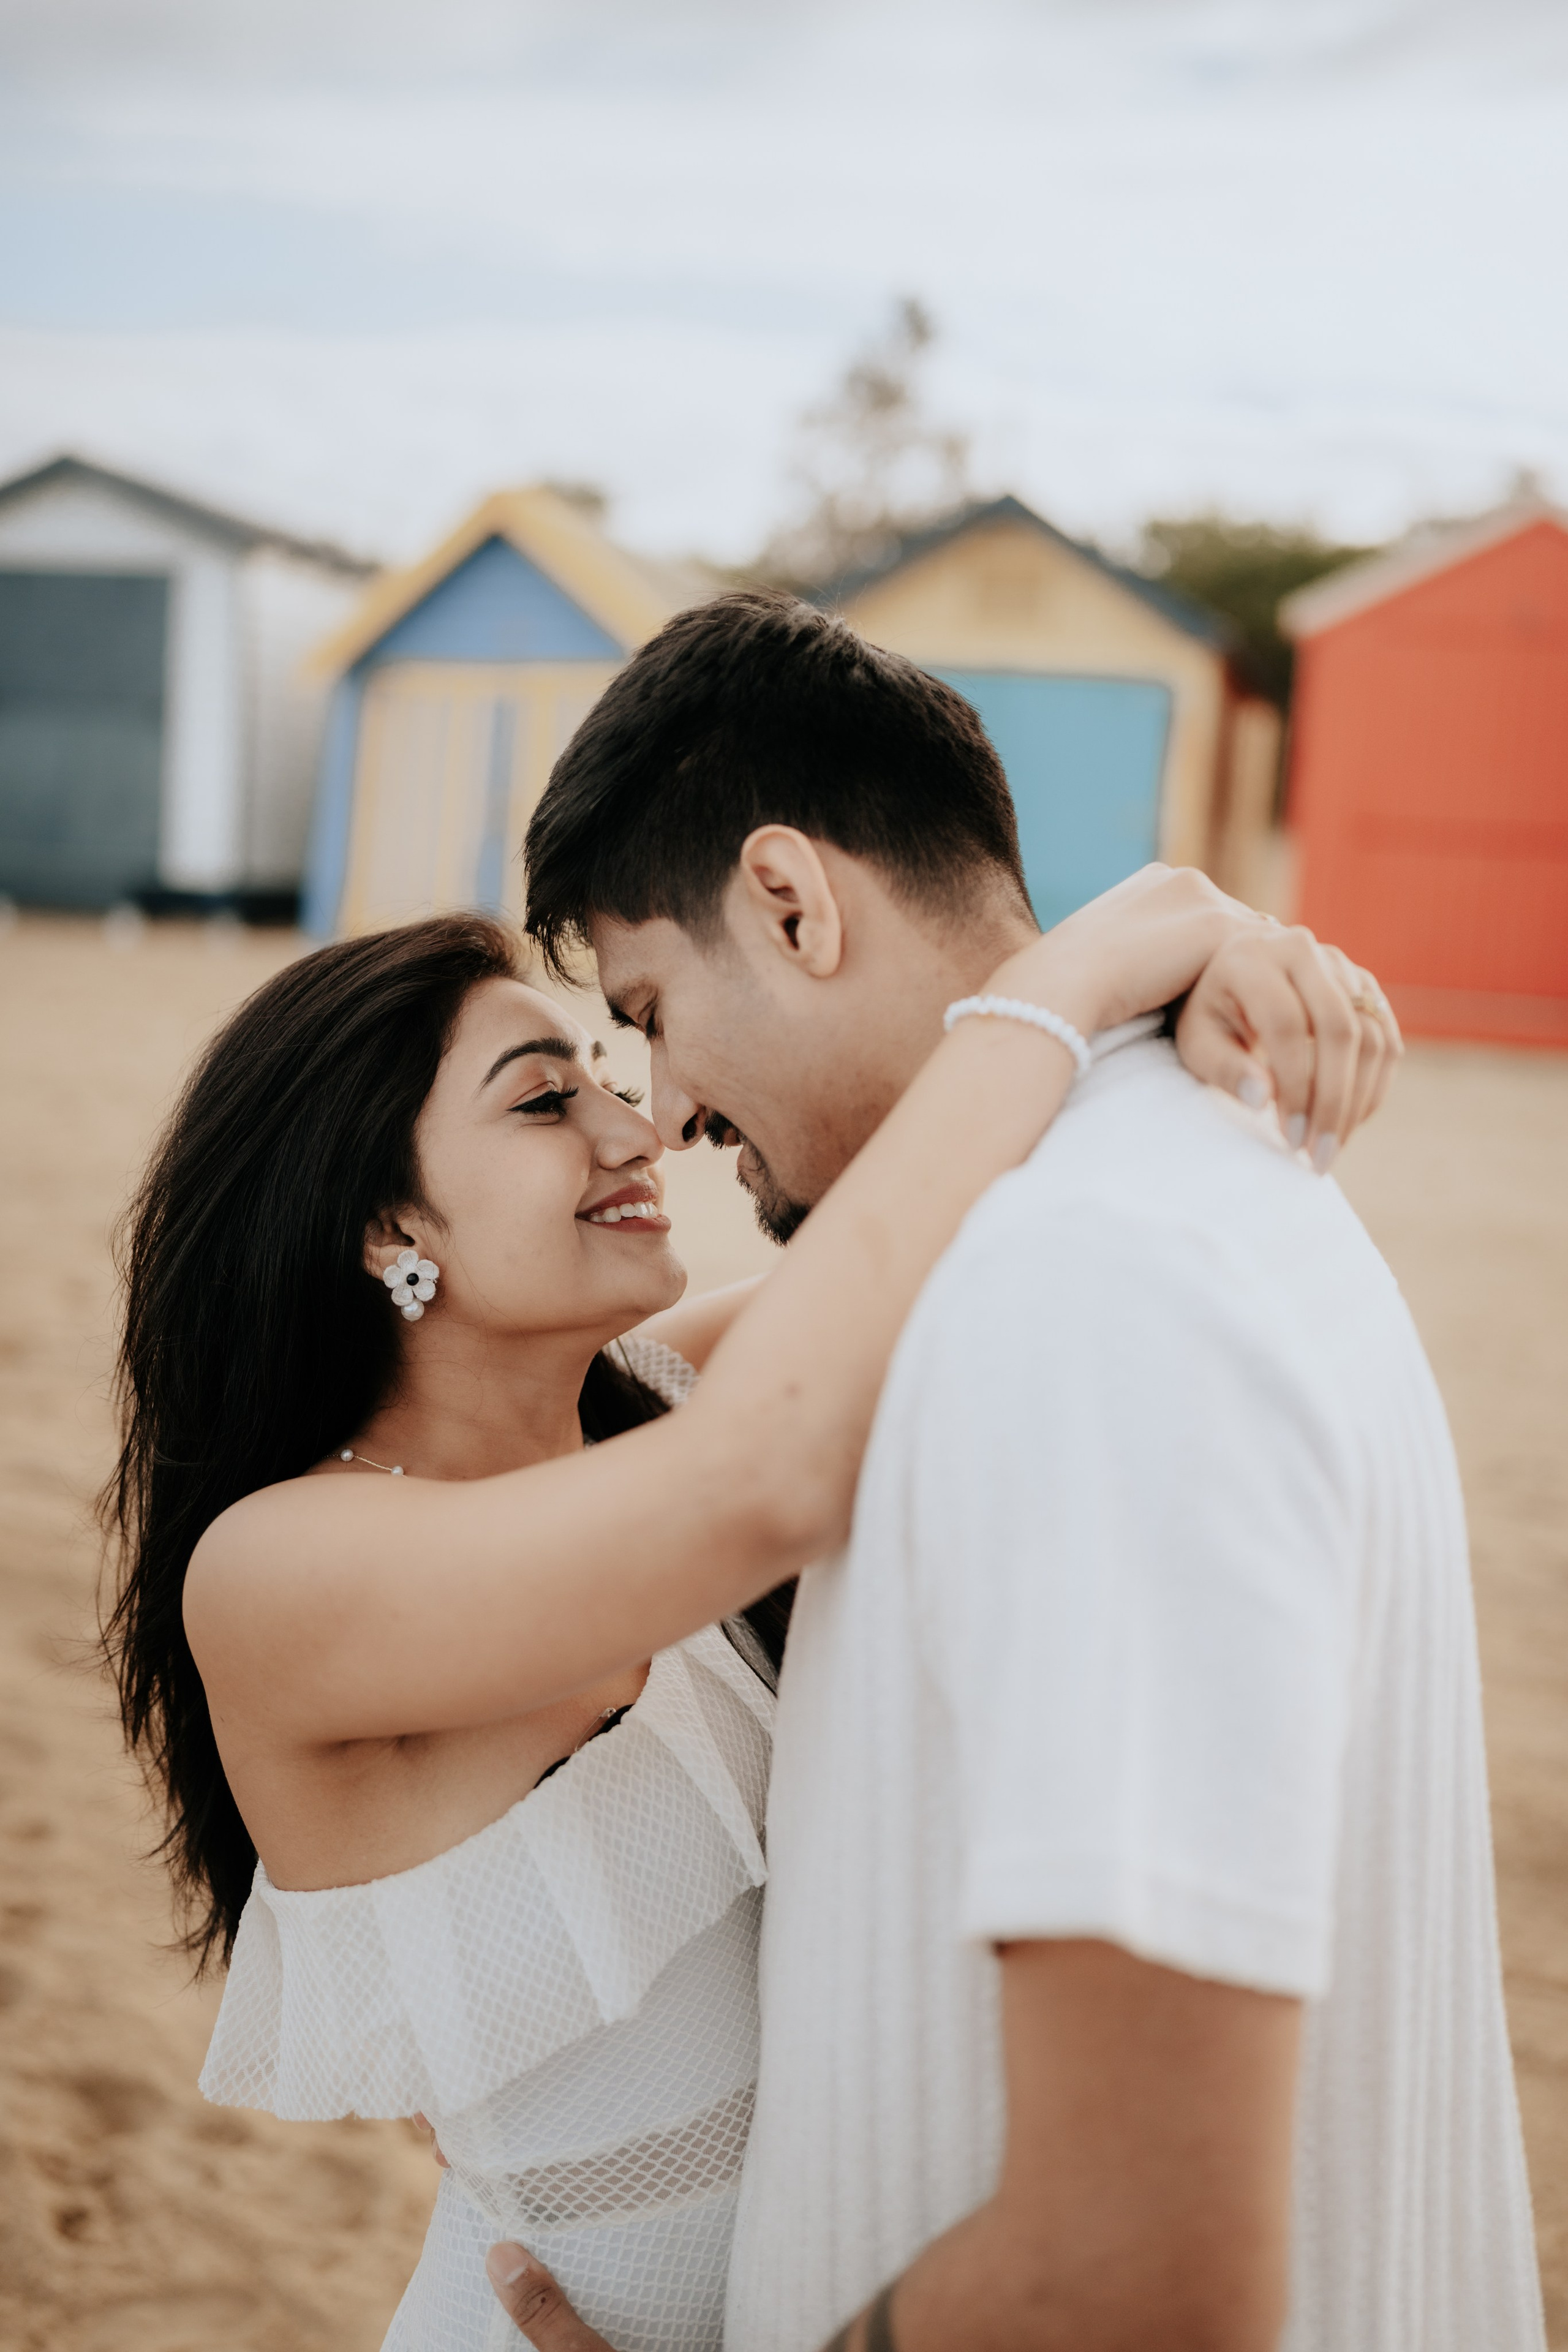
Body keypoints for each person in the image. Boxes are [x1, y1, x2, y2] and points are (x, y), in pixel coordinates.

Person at [100, 866, 1368, 2352]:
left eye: (606, 1074)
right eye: (544, 1101)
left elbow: (989, 1212)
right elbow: (765, 1478)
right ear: (386, 1226)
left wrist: (1218, 968)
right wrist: (1055, 991)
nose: (636, 1127)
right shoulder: (275, 1571)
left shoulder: (662, 1403)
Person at [478, 589, 1544, 2352]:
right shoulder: (1125, 1203)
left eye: (654, 1009)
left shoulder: (1082, 1293)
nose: (661, 1109)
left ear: (792, 903)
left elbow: (1134, 2272)